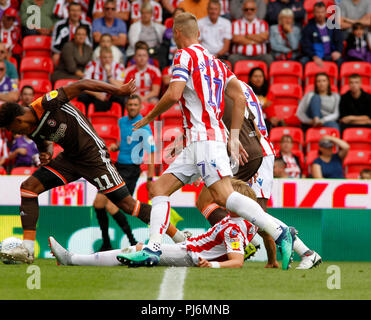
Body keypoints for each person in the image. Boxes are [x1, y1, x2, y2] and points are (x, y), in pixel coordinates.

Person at [118, 12, 294, 270]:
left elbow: (174, 92)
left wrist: (150, 116)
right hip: (199, 140)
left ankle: (279, 230)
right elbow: (240, 97)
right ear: (198, 33)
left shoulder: (183, 55)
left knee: (224, 196)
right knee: (158, 189)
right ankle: (152, 248)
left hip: (204, 139)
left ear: (177, 33)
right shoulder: (216, 62)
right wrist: (233, 137)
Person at [0, 78, 163, 264]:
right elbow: (45, 144)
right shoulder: (30, 129)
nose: (14, 133)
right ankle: (27, 249)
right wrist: (47, 154)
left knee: (127, 205)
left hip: (92, 155)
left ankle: (178, 236)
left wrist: (118, 90)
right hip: (70, 159)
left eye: (11, 129)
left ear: (18, 120)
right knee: (28, 188)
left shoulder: (46, 103)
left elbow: (82, 84)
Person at [195, 80, 321, 270]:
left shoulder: (225, 91)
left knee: (255, 214)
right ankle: (266, 254)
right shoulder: (239, 87)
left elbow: (247, 127)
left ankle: (305, 252)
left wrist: (253, 162)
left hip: (252, 152)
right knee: (251, 212)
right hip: (251, 151)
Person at [49, 179, 259, 268]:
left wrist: (210, 264)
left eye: (228, 196)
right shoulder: (243, 222)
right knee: (163, 224)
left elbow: (237, 261)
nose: (222, 197)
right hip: (192, 245)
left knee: (138, 249)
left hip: (191, 254)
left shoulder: (232, 227)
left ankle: (73, 259)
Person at [93, 94, 156, 250]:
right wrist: (117, 146)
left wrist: (149, 179)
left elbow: (152, 153)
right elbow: (128, 142)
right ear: (126, 106)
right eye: (130, 104)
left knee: (112, 205)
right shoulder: (122, 122)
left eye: (135, 105)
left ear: (140, 107)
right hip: (117, 167)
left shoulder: (144, 126)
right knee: (98, 203)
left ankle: (131, 240)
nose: (132, 107)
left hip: (131, 170)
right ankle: (107, 242)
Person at [78, 47, 126, 112]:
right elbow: (84, 85)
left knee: (122, 98)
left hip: (111, 94)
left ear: (112, 57)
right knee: (82, 97)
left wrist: (109, 76)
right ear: (100, 58)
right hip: (95, 93)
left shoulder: (118, 67)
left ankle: (120, 119)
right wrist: (97, 94)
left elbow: (120, 86)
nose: (107, 60)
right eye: (105, 57)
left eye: (110, 57)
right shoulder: (92, 65)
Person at [229, 0, 273, 68]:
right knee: (232, 58)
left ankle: (266, 79)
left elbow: (264, 37)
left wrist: (245, 36)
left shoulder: (263, 23)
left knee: (268, 58)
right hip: (240, 56)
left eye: (252, 9)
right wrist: (256, 39)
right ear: (243, 10)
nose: (249, 11)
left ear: (256, 10)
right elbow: (236, 39)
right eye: (246, 9)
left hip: (259, 56)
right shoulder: (236, 23)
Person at [300, 1, 343, 68]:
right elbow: (305, 45)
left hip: (330, 55)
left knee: (340, 61)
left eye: (322, 12)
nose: (320, 14)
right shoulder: (308, 27)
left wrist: (338, 52)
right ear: (314, 13)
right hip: (314, 56)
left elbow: (339, 41)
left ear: (326, 12)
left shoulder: (333, 25)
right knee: (303, 61)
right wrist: (313, 56)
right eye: (318, 12)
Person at [51, 1, 93, 66]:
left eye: (77, 11)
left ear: (81, 12)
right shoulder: (60, 25)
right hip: (64, 54)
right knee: (56, 56)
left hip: (81, 54)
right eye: (73, 10)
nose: (75, 13)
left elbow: (89, 45)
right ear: (68, 11)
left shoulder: (87, 25)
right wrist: (65, 53)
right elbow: (54, 45)